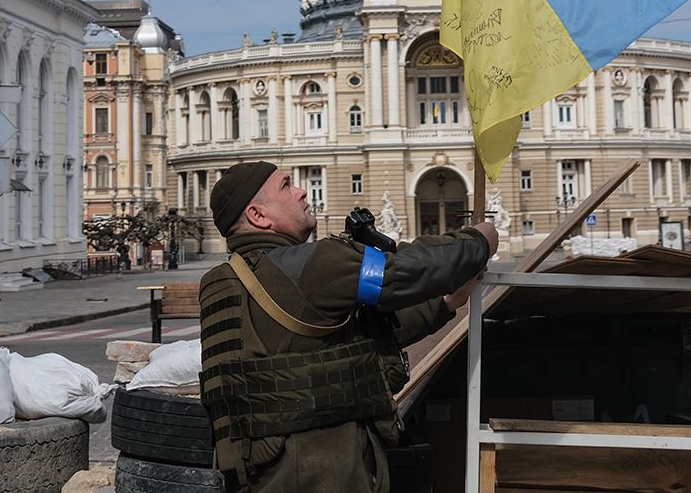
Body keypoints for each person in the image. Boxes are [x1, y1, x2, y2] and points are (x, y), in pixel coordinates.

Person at [199, 161, 498, 493]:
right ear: (259, 216)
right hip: (322, 476)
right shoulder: (316, 265)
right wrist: (479, 240)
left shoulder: (220, 283)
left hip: (257, 474)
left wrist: (446, 302)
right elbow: (408, 270)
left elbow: (344, 346)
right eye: (286, 186)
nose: (302, 192)